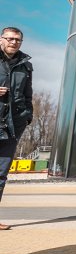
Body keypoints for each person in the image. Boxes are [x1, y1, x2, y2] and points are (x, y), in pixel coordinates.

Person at [0, 27, 32, 231]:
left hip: (13, 125)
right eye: (10, 39)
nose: (14, 42)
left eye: (18, 40)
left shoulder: (25, 65)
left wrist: (27, 116)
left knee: (1, 173)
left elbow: (28, 94)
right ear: (1, 39)